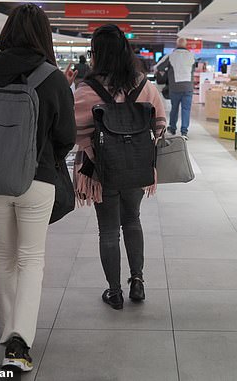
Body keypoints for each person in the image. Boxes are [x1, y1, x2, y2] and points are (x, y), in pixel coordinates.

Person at [0, 4, 76, 372]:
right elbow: (65, 135)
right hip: (37, 178)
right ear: (44, 35)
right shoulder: (52, 77)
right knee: (31, 259)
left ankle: (7, 328)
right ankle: (20, 343)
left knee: (5, 254)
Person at [74, 24, 166, 310]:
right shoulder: (144, 85)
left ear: (96, 54)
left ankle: (114, 292)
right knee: (133, 221)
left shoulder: (87, 90)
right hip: (138, 169)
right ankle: (137, 281)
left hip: (101, 172)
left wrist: (92, 147)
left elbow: (69, 128)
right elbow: (160, 123)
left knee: (108, 230)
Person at [155, 37, 195, 138]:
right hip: (188, 87)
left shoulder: (171, 55)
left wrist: (167, 70)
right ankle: (184, 131)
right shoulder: (192, 56)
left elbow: (158, 67)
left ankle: (172, 128)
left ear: (176, 44)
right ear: (186, 45)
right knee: (186, 109)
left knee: (174, 108)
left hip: (175, 87)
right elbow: (193, 70)